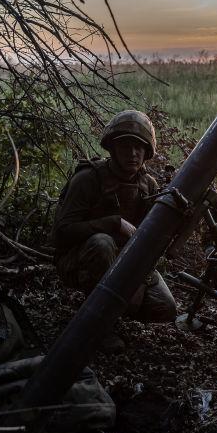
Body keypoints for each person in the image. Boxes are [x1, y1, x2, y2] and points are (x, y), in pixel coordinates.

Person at [51, 110, 177, 330]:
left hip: (125, 257)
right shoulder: (88, 179)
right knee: (102, 243)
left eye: (139, 147)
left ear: (147, 152)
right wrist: (113, 223)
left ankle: (115, 309)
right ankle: (97, 325)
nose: (133, 154)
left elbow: (152, 238)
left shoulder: (148, 185)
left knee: (165, 308)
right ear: (112, 149)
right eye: (125, 147)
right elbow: (61, 233)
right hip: (79, 259)